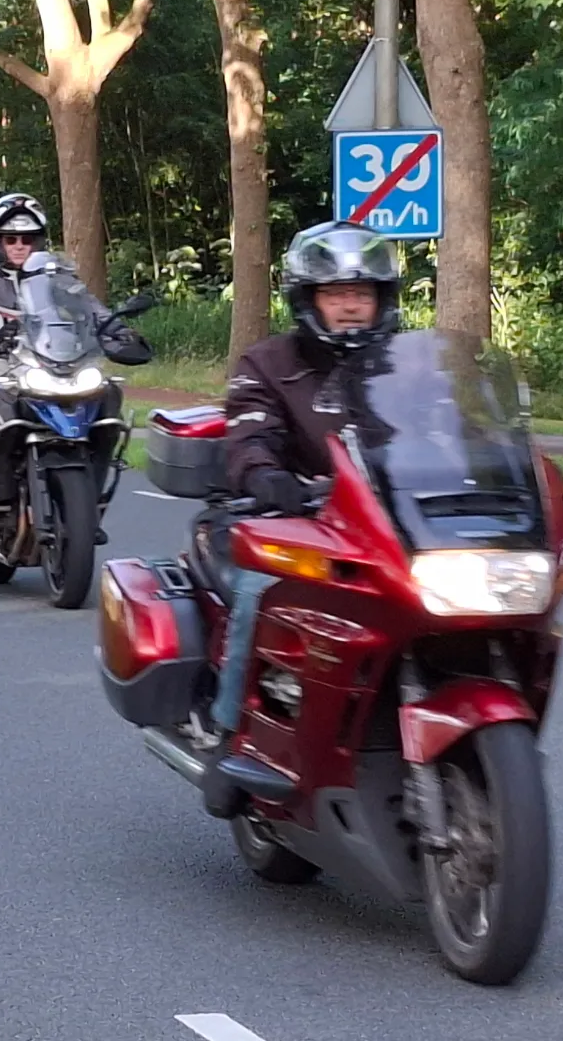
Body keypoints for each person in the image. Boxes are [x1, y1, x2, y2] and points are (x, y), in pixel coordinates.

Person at [202, 219, 402, 761]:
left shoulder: (404, 364)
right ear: (309, 299)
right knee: (260, 590)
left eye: (362, 293)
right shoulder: (267, 364)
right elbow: (249, 435)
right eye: (336, 294)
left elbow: (447, 432)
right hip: (286, 517)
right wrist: (270, 479)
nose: (351, 306)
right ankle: (231, 737)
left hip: (386, 522)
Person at [0, 192, 153, 543]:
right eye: (11, 238)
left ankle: (87, 505)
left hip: (55, 366)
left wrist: (118, 332)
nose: (19, 245)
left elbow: (91, 308)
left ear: (40, 240)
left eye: (28, 238)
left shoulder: (57, 275)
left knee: (107, 397)